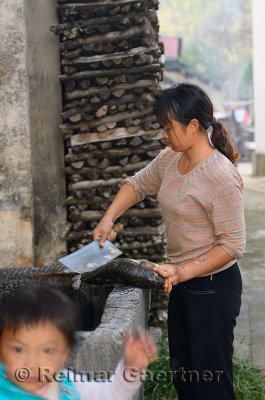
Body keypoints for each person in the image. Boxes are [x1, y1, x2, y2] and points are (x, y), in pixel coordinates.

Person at [93, 83, 246, 400]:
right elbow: (136, 185)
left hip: (214, 288)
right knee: (185, 377)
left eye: (168, 127)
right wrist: (107, 220)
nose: (164, 134)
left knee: (211, 384)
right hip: (182, 283)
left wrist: (185, 271)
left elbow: (232, 245)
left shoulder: (221, 175)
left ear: (193, 125)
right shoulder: (170, 159)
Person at [0, 288, 158, 400]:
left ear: (65, 354)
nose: (32, 364)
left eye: (47, 350)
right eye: (18, 349)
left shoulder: (65, 384)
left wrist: (132, 369)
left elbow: (107, 395)